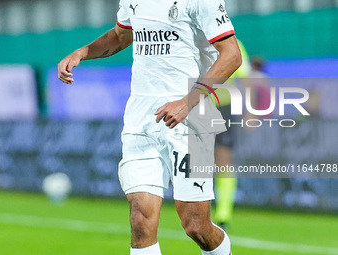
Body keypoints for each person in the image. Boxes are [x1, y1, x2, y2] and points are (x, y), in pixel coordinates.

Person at [58, 1, 241, 254]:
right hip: (141, 121)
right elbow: (121, 36)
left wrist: (186, 102)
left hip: (191, 122)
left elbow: (232, 54)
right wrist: (82, 52)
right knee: (141, 221)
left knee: (196, 226)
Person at [213, 40, 251, 230]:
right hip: (195, 105)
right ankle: (194, 208)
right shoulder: (193, 39)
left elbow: (245, 76)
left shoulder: (232, 42)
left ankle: (223, 214)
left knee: (223, 160)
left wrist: (250, 110)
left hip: (224, 107)